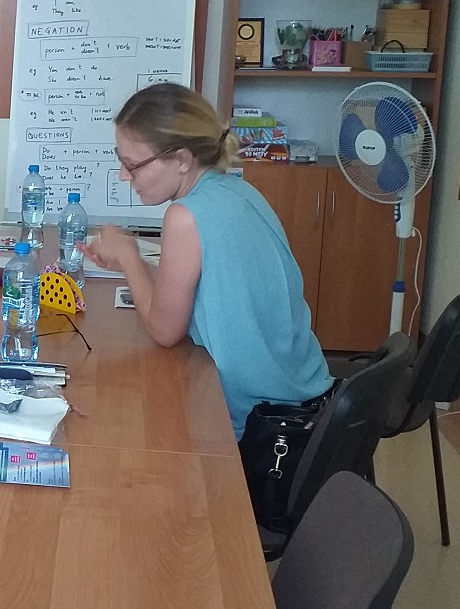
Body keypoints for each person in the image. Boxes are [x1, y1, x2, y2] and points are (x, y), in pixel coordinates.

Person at [80, 83, 333, 439]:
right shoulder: (238, 190)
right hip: (308, 396)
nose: (123, 175)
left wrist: (128, 254)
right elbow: (201, 285)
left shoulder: (185, 216)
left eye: (133, 165)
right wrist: (130, 264)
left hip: (268, 422)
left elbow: (166, 331)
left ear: (182, 160)